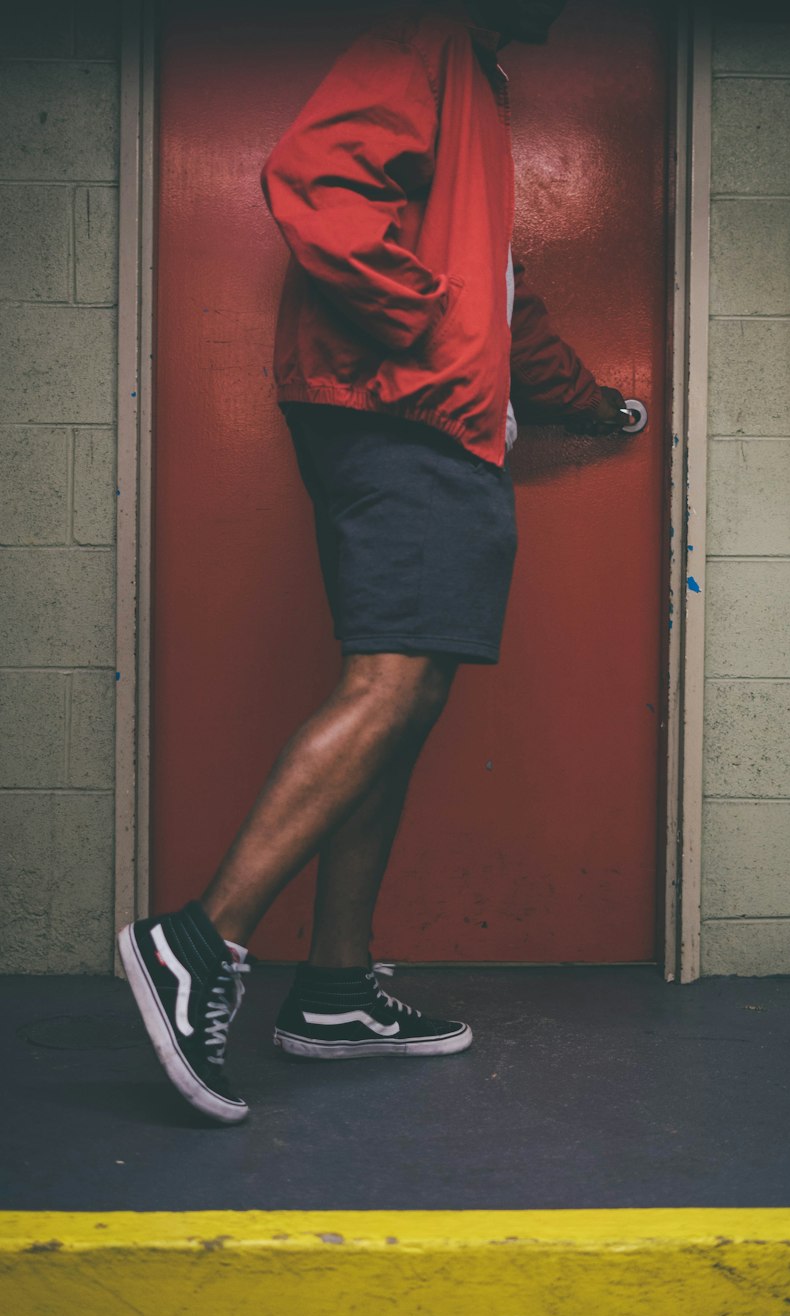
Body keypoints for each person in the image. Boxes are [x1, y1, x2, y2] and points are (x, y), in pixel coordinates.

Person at [118, 0, 629, 1124]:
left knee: (409, 696)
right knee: (390, 681)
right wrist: (430, 335)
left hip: (420, 412)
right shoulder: (427, 44)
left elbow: (501, 301)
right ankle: (194, 942)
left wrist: (594, 405)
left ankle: (337, 991)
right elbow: (314, 178)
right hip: (402, 416)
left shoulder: (472, 94)